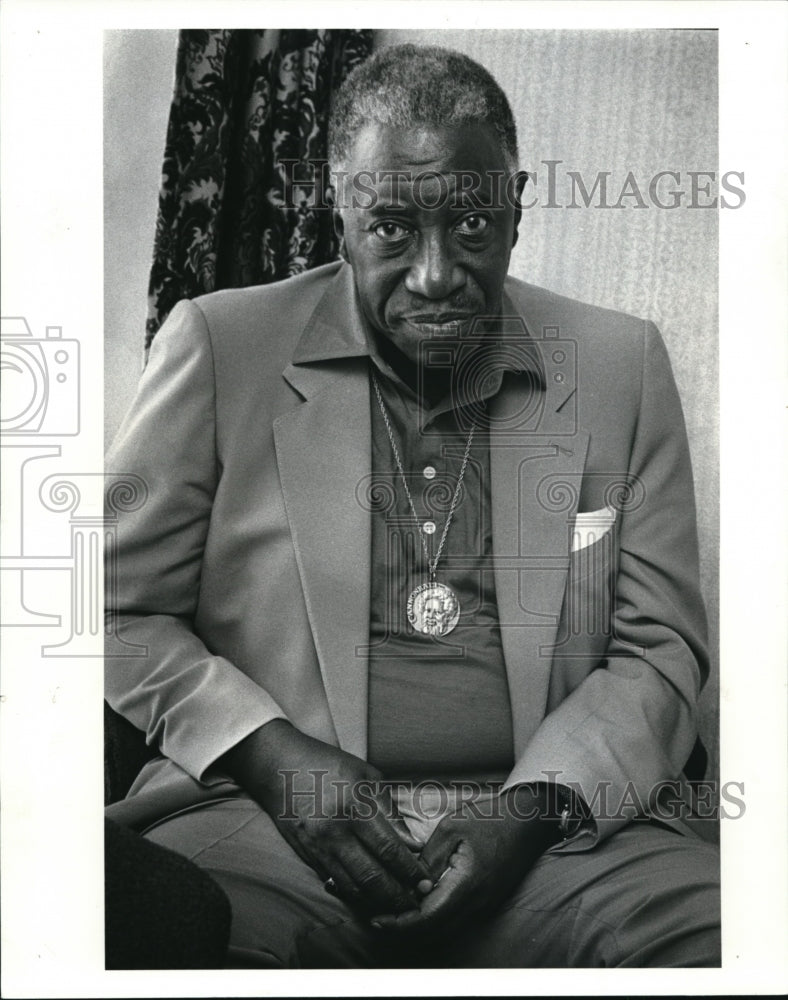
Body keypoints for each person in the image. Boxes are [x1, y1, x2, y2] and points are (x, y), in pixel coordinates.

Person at [105, 44, 720, 967]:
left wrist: (524, 814)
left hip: (553, 832)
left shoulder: (619, 365)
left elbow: (659, 648)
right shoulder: (223, 345)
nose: (435, 274)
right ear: (342, 217)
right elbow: (111, 608)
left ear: (516, 213)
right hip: (265, 819)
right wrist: (272, 755)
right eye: (391, 227)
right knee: (188, 946)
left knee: (722, 937)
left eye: (471, 225)